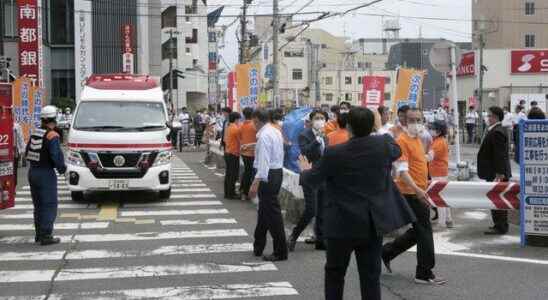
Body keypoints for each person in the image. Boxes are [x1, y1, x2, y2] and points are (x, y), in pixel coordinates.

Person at [298, 107, 415, 300]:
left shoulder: (334, 153)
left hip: (340, 224)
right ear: (372, 126)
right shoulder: (384, 145)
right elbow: (396, 149)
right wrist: (378, 128)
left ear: (348, 127)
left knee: (335, 273)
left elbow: (312, 180)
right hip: (371, 223)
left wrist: (304, 170)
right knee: (370, 276)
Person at [382, 107, 447, 285]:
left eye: (419, 120)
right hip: (410, 192)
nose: (416, 124)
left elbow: (421, 162)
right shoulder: (402, 141)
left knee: (419, 230)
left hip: (418, 190)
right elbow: (402, 171)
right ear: (403, 121)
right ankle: (424, 273)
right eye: (411, 120)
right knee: (424, 230)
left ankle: (386, 252)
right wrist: (418, 190)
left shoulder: (418, 139)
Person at [248, 109, 288, 262]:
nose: (253, 124)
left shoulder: (264, 135)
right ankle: (258, 245)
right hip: (276, 172)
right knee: (264, 212)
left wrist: (255, 183)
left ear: (257, 120)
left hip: (267, 175)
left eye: (253, 121)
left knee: (273, 215)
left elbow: (264, 163)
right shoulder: (274, 131)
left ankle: (280, 251)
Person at [25, 105, 67, 245]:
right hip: (45, 173)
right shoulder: (52, 135)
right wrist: (62, 169)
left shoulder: (35, 132)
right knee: (49, 204)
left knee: (38, 205)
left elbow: (27, 152)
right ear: (54, 118)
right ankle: (46, 235)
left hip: (33, 172)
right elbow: (56, 156)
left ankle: (39, 234)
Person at [289, 109, 329, 251]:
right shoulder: (304, 135)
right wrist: (317, 140)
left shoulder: (326, 136)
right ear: (311, 121)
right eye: (317, 118)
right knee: (311, 210)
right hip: (310, 176)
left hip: (323, 177)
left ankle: (320, 240)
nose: (320, 121)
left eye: (322, 118)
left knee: (323, 210)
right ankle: (294, 234)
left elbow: (325, 155)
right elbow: (305, 152)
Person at [478, 106, 512, 235]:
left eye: (489, 115)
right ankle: (499, 224)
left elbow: (500, 155)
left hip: (496, 172)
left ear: (495, 117)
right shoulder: (495, 129)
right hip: (494, 171)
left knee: (497, 198)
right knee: (495, 198)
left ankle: (500, 226)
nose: (487, 117)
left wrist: (499, 173)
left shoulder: (497, 131)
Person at [428, 121, 453, 228]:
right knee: (444, 197)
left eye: (432, 128)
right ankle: (448, 220)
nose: (430, 130)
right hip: (442, 171)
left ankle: (441, 223)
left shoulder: (438, 142)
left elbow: (429, 157)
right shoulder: (441, 140)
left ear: (438, 131)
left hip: (438, 173)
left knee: (439, 198)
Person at [239, 107, 257, 201]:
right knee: (249, 173)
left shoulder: (241, 126)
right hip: (252, 152)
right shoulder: (254, 126)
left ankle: (242, 190)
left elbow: (240, 137)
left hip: (243, 151)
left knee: (247, 171)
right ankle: (245, 193)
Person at [223, 112, 241, 200]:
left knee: (228, 174)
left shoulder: (228, 127)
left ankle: (227, 193)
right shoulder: (235, 128)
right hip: (233, 153)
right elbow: (240, 141)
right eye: (239, 119)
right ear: (236, 119)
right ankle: (231, 193)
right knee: (233, 175)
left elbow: (225, 140)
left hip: (227, 152)